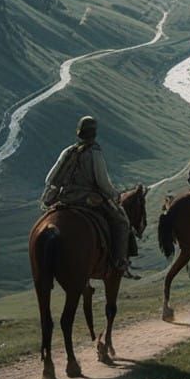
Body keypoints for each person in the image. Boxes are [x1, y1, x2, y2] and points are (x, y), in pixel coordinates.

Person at [43, 115, 136, 277]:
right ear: (94, 133)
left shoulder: (68, 151)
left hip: (65, 198)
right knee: (121, 221)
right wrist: (114, 195)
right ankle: (120, 261)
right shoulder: (94, 153)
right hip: (87, 199)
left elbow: (50, 178)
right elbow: (102, 182)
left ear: (79, 133)